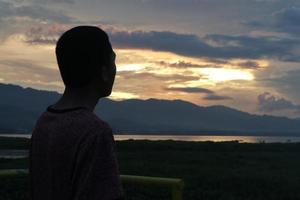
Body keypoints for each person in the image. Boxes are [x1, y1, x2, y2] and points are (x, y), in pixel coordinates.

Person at [29, 26, 125, 200]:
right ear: (104, 72)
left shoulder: (44, 122)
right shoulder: (95, 132)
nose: (115, 69)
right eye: (113, 61)